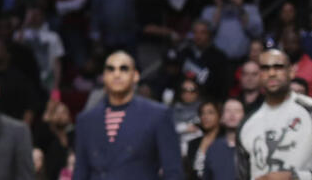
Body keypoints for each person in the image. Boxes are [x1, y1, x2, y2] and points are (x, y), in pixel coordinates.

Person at [71, 50, 182, 180]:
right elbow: (80, 172)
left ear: (135, 75)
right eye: (111, 69)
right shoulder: (86, 120)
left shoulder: (158, 115)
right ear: (104, 76)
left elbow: (173, 171)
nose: (116, 74)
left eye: (123, 69)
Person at [237, 47, 312, 179]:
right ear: (259, 75)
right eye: (265, 68)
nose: (271, 73)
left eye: (278, 67)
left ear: (292, 72)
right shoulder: (247, 124)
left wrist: (296, 177)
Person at [281, 28, 312, 105]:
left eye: (293, 42)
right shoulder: (276, 68)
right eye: (286, 43)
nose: (289, 47)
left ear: (301, 44)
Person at [201, 98, 243, 180]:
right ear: (222, 117)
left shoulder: (249, 147)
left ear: (244, 116)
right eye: (228, 111)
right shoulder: (213, 148)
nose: (232, 114)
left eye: (237, 111)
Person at [183, 100, 221, 179]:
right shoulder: (193, 143)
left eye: (210, 112)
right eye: (202, 113)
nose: (205, 117)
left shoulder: (224, 141)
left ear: (219, 116)